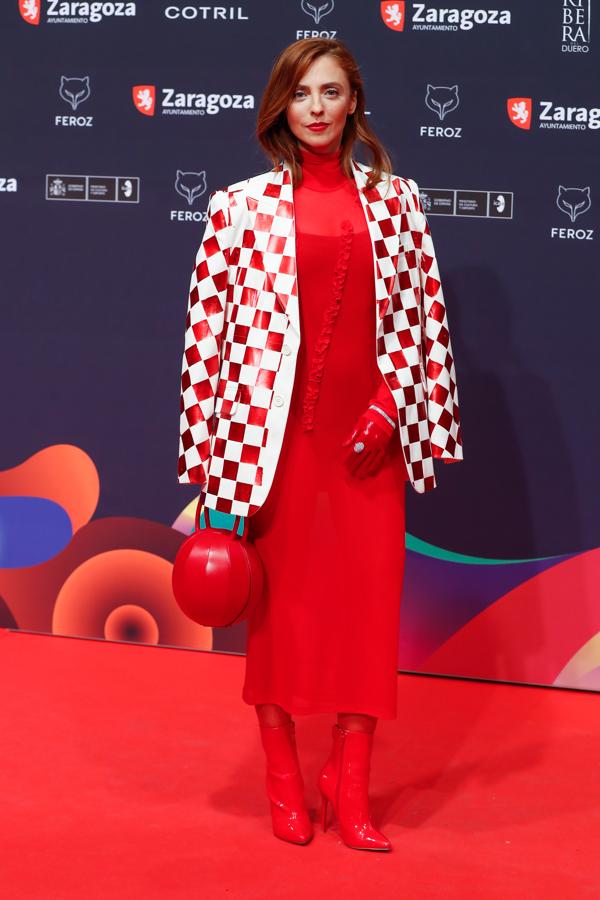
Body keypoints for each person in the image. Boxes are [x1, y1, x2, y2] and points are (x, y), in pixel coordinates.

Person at [178, 37, 463, 851]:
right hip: (272, 446)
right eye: (301, 93)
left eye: (331, 92)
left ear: (353, 102)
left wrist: (390, 407)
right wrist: (214, 462)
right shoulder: (239, 208)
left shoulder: (397, 201)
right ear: (281, 104)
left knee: (368, 614)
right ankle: (282, 776)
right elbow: (208, 343)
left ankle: (353, 781)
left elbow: (421, 322)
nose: (316, 108)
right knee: (281, 620)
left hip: (365, 445)